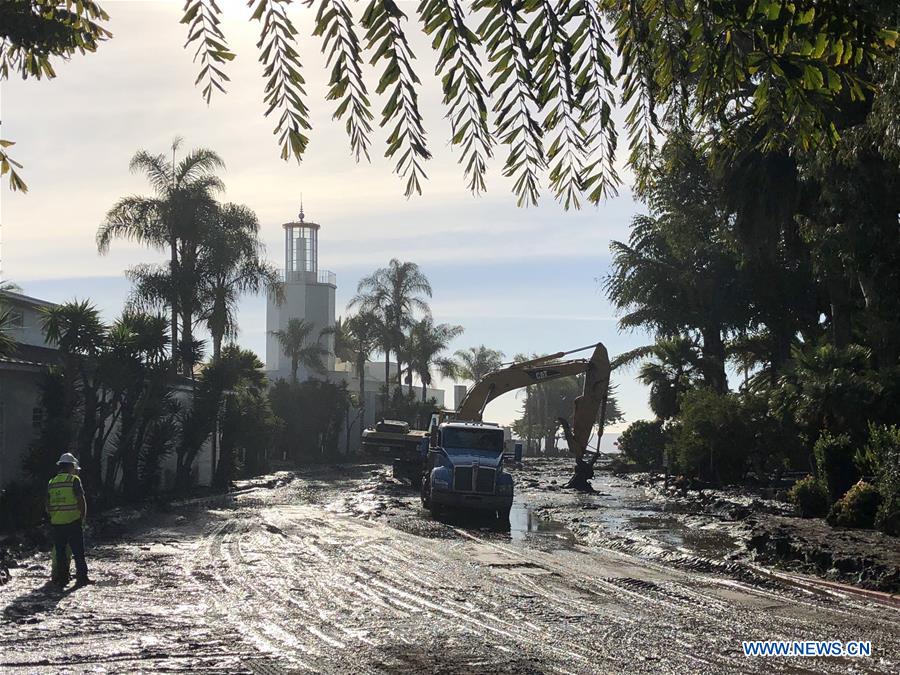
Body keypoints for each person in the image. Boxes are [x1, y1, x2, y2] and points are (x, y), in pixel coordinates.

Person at [46, 453, 90, 587]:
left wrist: (53, 516)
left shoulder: (52, 482)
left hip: (57, 523)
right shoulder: (74, 480)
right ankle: (82, 578)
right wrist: (82, 517)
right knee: (78, 552)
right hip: (73, 521)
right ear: (71, 466)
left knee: (60, 552)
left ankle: (62, 579)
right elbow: (81, 500)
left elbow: (47, 504)